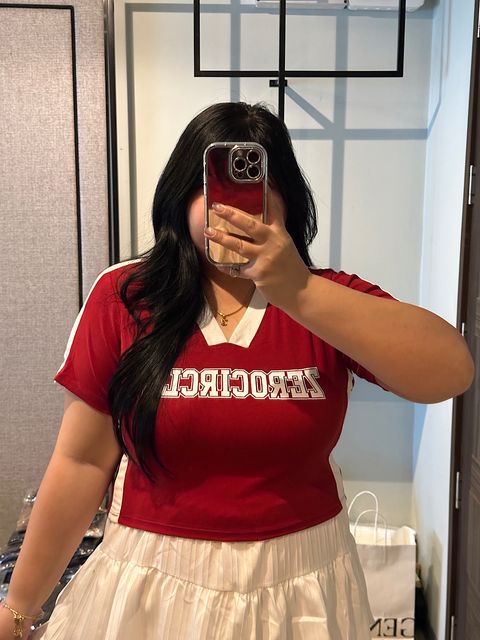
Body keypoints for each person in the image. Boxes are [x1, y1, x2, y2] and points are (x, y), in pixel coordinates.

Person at [0, 102, 474, 640]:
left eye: (255, 188)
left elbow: (451, 371)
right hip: (150, 582)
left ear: (287, 201)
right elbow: (81, 462)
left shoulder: (326, 299)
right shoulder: (125, 297)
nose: (233, 210)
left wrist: (299, 290)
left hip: (302, 588)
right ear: (181, 197)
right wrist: (18, 611)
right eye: (214, 187)